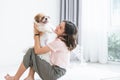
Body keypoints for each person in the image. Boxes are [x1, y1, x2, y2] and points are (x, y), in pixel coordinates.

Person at [4, 20, 78, 80]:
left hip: (54, 72)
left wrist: (36, 34)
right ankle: (30, 77)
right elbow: (49, 28)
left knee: (32, 51)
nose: (57, 27)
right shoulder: (63, 41)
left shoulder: (59, 42)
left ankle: (16, 78)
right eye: (59, 24)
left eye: (60, 28)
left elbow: (37, 51)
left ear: (65, 34)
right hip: (58, 71)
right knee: (34, 54)